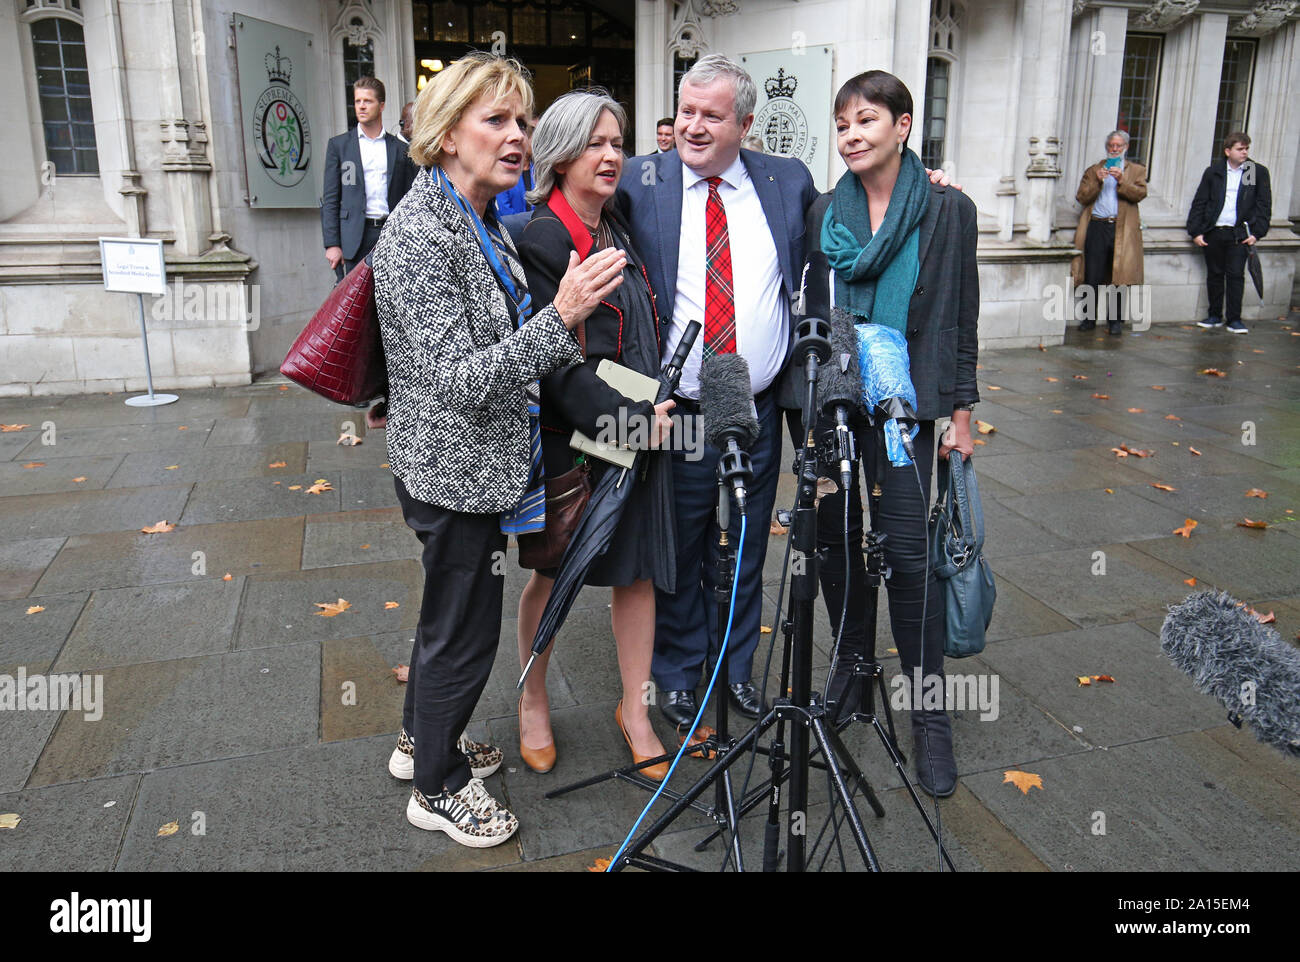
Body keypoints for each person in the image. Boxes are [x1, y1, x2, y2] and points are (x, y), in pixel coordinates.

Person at [372, 52, 629, 846]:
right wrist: (564, 315)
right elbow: (457, 381)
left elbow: (512, 350)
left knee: (446, 615)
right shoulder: (420, 233)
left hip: (479, 466)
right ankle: (439, 786)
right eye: (497, 120)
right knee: (465, 629)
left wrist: (616, 405)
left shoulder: (477, 218)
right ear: (447, 135)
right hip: (453, 474)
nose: (517, 136)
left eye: (522, 121)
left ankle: (424, 741)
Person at [618, 55, 819, 732]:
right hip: (679, 410)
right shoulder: (643, 182)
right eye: (686, 111)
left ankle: (734, 670)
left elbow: (845, 229)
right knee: (678, 544)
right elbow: (574, 207)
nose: (692, 127)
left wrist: (929, 185)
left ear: (746, 124)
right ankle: (677, 672)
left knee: (744, 546)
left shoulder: (787, 182)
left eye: (711, 114)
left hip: (755, 410)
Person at [801, 69, 980, 798]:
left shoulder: (947, 208)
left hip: (908, 407)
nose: (852, 134)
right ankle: (851, 669)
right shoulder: (821, 213)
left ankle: (929, 713)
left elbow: (962, 317)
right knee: (838, 542)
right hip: (837, 406)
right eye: (842, 122)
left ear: (903, 127)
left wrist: (962, 414)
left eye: (867, 120)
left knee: (907, 551)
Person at [513, 90, 677, 779]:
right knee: (555, 570)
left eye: (618, 143)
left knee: (636, 574)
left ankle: (634, 710)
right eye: (594, 143)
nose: (611, 155)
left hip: (641, 419)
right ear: (559, 152)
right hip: (573, 433)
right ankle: (531, 701)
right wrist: (634, 421)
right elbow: (550, 361)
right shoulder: (533, 237)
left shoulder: (625, 221)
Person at [321, 77, 417, 280]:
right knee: (356, 305)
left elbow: (412, 199)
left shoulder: (400, 150)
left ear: (381, 105)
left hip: (392, 235)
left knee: (391, 301)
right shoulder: (339, 146)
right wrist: (332, 243)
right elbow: (330, 199)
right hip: (355, 237)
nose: (361, 106)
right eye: (357, 101)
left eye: (368, 101)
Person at [1188, 132, 1272, 335]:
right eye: (1240, 149)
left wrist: (1257, 233)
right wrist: (1196, 231)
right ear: (1228, 151)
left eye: (1246, 149)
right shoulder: (1215, 172)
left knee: (1235, 275)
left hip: (1239, 233)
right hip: (1215, 231)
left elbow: (1262, 204)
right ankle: (1214, 315)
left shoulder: (1253, 171)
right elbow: (1201, 201)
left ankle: (1234, 319)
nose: (1244, 152)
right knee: (1215, 274)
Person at [1070, 130, 1147, 335]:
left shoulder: (1136, 170)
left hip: (1121, 228)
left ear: (1126, 148)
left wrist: (1122, 181)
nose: (1114, 150)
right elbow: (1082, 197)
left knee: (1119, 277)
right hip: (1097, 225)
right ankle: (1088, 319)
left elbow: (1140, 194)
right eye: (1111, 146)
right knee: (1091, 274)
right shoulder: (1095, 169)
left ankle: (1115, 321)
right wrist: (1097, 181)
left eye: (1118, 146)